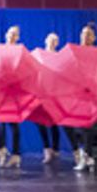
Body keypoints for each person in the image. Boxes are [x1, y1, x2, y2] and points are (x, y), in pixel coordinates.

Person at [0, 26, 25, 169]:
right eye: (10, 33)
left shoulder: (21, 51)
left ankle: (16, 155)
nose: (12, 36)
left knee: (13, 123)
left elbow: (24, 71)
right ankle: (1, 148)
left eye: (15, 34)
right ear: (6, 34)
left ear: (18, 37)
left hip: (14, 91)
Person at [71, 23, 97, 173]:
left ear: (94, 38)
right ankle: (85, 154)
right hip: (76, 93)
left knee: (87, 126)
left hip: (91, 94)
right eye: (83, 33)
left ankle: (87, 155)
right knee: (75, 126)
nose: (85, 36)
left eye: (88, 34)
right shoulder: (73, 51)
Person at [35, 32, 67, 164]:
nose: (53, 42)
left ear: (57, 43)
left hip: (55, 94)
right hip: (41, 92)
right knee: (41, 122)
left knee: (54, 123)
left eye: (55, 40)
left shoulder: (60, 57)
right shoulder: (39, 55)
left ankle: (56, 149)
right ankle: (46, 148)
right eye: (51, 39)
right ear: (46, 40)